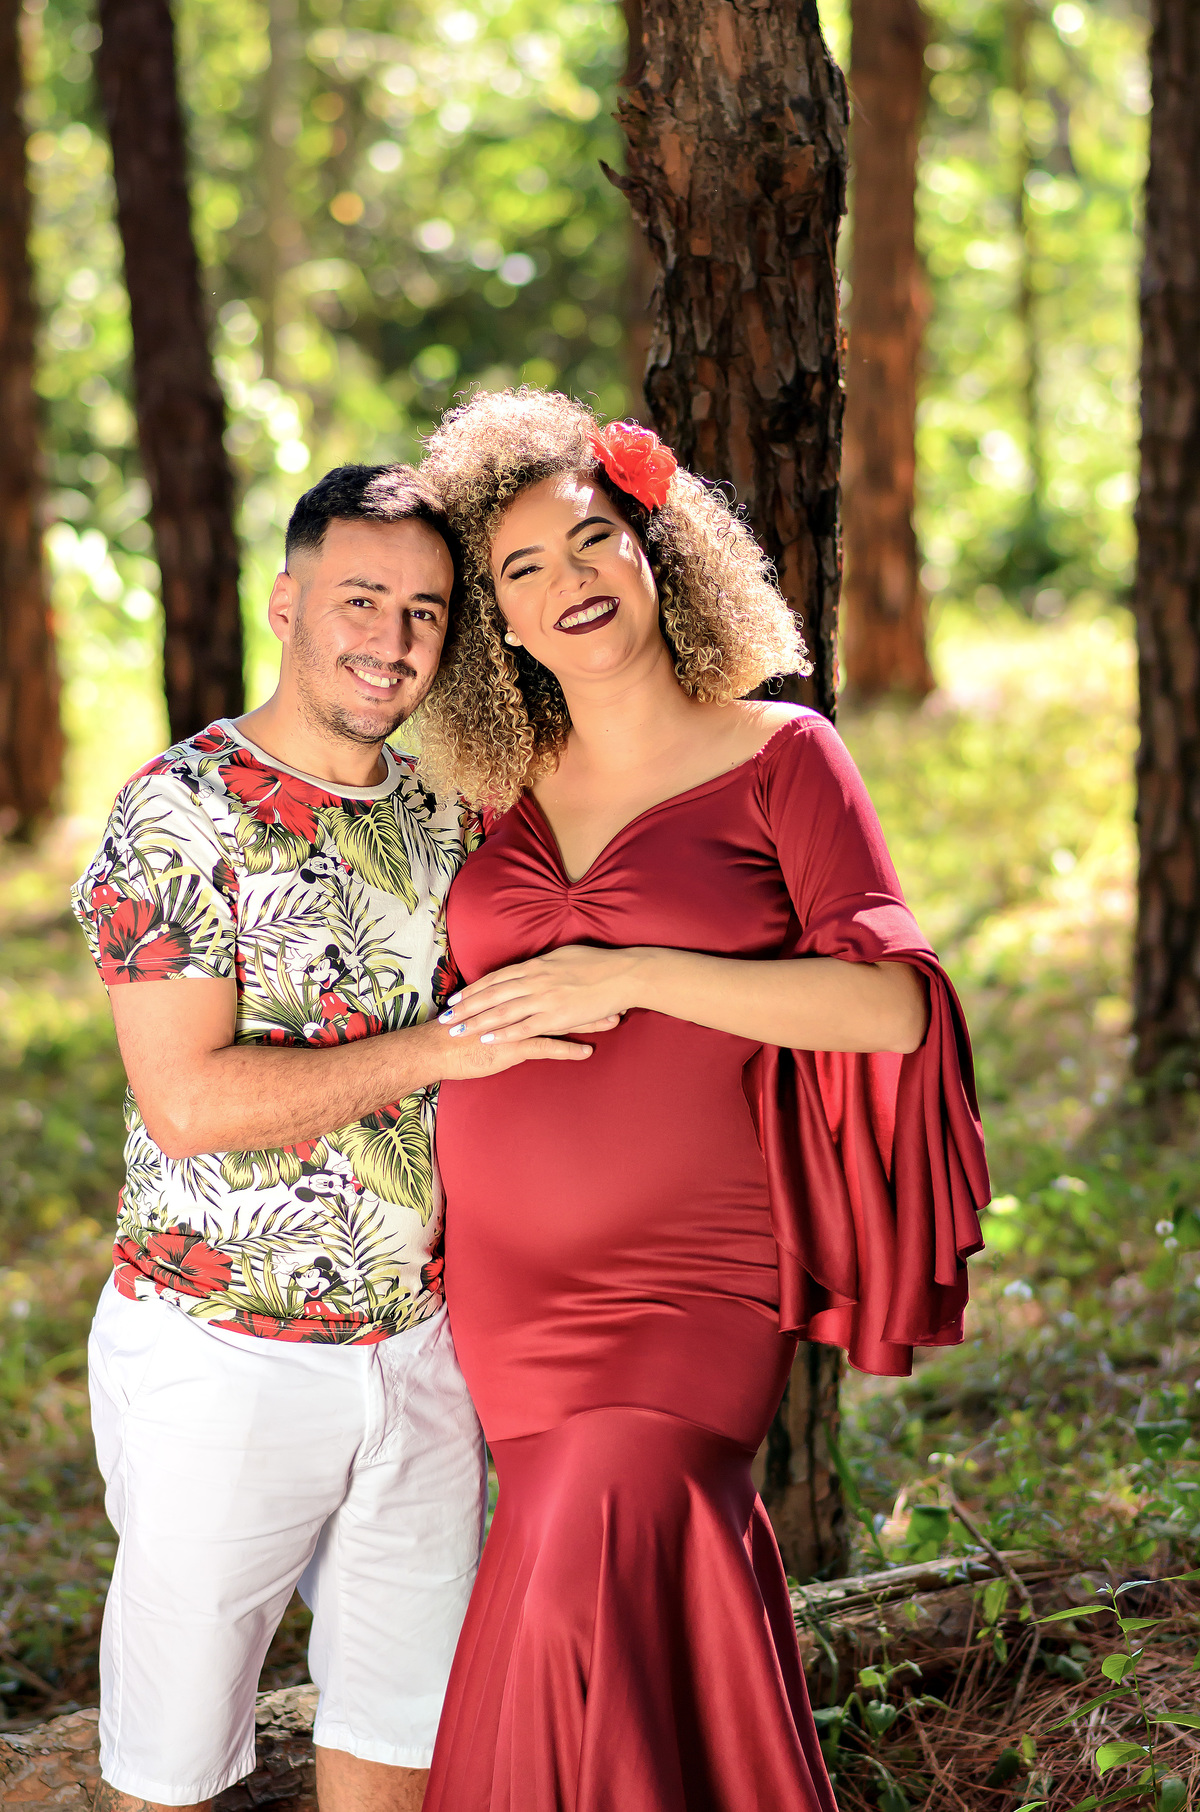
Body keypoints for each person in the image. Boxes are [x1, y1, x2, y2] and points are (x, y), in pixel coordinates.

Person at [411, 390, 991, 1812]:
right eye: (523, 570)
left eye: (591, 541)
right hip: (508, 1286)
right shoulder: (489, 794)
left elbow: (892, 1005)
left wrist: (635, 973)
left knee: (582, 1571)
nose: (569, 583)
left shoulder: (782, 753)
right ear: (498, 620)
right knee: (580, 1591)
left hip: (695, 1273)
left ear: (655, 549)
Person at [70, 464, 602, 1812]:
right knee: (172, 1765)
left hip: (421, 1353)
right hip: (222, 1355)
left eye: (426, 612)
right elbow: (188, 1102)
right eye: (362, 599)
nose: (393, 640)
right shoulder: (178, 809)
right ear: (288, 601)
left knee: (402, 1732)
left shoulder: (442, 816)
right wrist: (440, 1049)